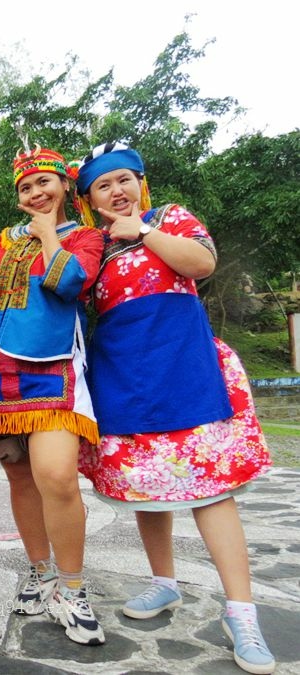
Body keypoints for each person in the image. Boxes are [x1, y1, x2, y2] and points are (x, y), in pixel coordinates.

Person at [74, 142, 275, 673]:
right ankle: (164, 584)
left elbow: (202, 264)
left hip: (183, 362)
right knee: (148, 491)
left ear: (141, 183)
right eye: (103, 185)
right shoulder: (90, 244)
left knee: (213, 492)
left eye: (125, 180)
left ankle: (241, 611)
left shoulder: (170, 218)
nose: (117, 191)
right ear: (90, 199)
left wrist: (142, 231)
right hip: (123, 371)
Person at [0, 146, 105, 645]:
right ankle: (41, 573)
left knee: (57, 476)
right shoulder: (1, 241)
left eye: (44, 182)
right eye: (26, 187)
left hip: (51, 369)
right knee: (21, 479)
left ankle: (72, 587)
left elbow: (69, 284)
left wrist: (47, 233)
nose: (36, 192)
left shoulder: (87, 236)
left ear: (65, 186)